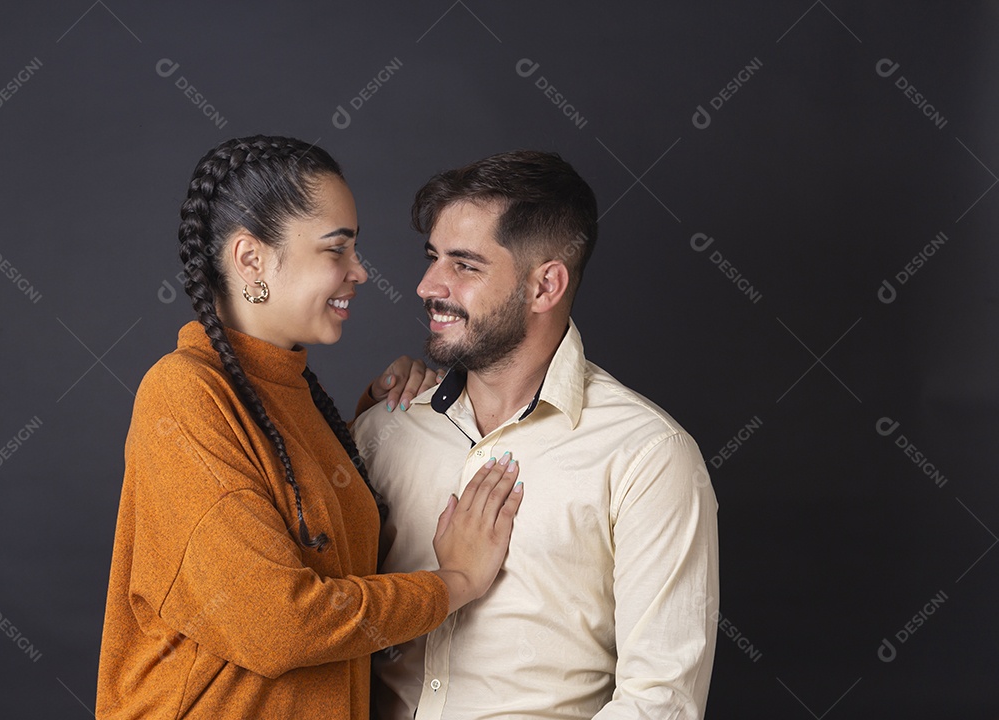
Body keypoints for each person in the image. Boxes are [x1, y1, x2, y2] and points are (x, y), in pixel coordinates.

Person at [95, 136, 524, 719]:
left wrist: (377, 412)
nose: (360, 272)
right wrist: (454, 583)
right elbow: (277, 623)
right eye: (335, 250)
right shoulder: (183, 395)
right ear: (251, 260)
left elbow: (310, 531)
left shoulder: (296, 397)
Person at [353, 150, 720, 719]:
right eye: (432, 257)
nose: (428, 285)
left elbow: (658, 703)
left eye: (465, 265)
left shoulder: (647, 456)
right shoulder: (381, 434)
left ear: (545, 285)